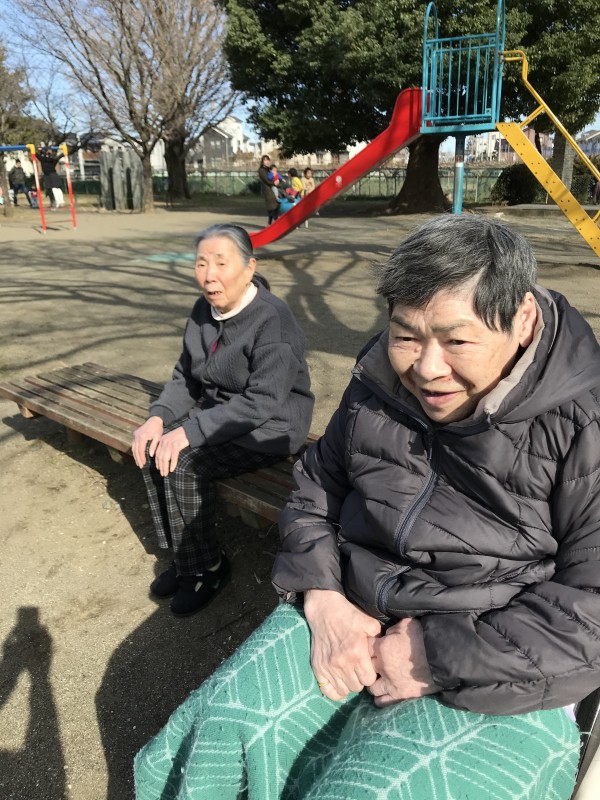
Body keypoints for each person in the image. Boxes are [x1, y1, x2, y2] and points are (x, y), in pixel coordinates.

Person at [135, 215, 600, 799]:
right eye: (406, 336)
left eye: (457, 341)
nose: (426, 369)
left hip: (496, 643)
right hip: (350, 605)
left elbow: (591, 606)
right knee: (219, 727)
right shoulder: (378, 379)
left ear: (523, 318)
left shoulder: (583, 419)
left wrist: (436, 653)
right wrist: (320, 594)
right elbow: (315, 486)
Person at [131, 223, 314, 618]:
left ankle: (207, 568)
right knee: (153, 448)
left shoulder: (273, 321)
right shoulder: (203, 310)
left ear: (249, 268)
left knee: (183, 464)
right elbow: (186, 376)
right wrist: (157, 419)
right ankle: (184, 558)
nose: (209, 275)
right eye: (201, 263)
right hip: (220, 415)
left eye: (221, 263)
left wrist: (190, 431)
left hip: (270, 428)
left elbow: (262, 402)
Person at [257, 154, 280, 225]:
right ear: (262, 162)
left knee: (274, 206)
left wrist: (278, 181)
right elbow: (267, 180)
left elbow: (276, 175)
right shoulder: (262, 170)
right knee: (272, 206)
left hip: (273, 188)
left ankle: (270, 224)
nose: (266, 161)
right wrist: (274, 183)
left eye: (267, 160)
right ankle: (276, 223)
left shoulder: (269, 169)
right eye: (265, 160)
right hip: (268, 190)